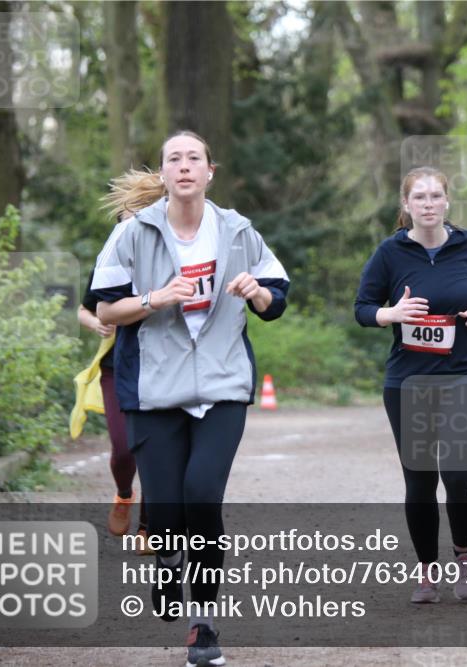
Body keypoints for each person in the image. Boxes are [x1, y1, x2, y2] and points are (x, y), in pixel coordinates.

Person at [92, 130, 289, 666]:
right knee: (170, 512)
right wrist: (154, 298)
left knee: (203, 496)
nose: (184, 166)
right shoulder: (133, 234)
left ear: (209, 172)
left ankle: (204, 626)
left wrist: (257, 291)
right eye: (174, 159)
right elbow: (105, 310)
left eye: (194, 158)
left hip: (222, 386)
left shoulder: (238, 231)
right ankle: (166, 565)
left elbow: (277, 299)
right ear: (163, 174)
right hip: (155, 390)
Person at [355, 166, 467, 603]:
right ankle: (427, 572)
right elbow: (362, 307)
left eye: (436, 196)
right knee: (419, 480)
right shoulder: (389, 252)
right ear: (407, 205)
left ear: (447, 202)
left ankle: (465, 559)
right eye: (420, 197)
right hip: (408, 381)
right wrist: (390, 314)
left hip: (464, 373)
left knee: (458, 476)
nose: (429, 204)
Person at [76, 263, 153, 555]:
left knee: (154, 451)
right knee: (123, 449)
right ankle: (123, 495)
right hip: (116, 367)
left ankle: (148, 527)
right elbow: (84, 309)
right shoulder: (112, 262)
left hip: (161, 367)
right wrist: (96, 323)